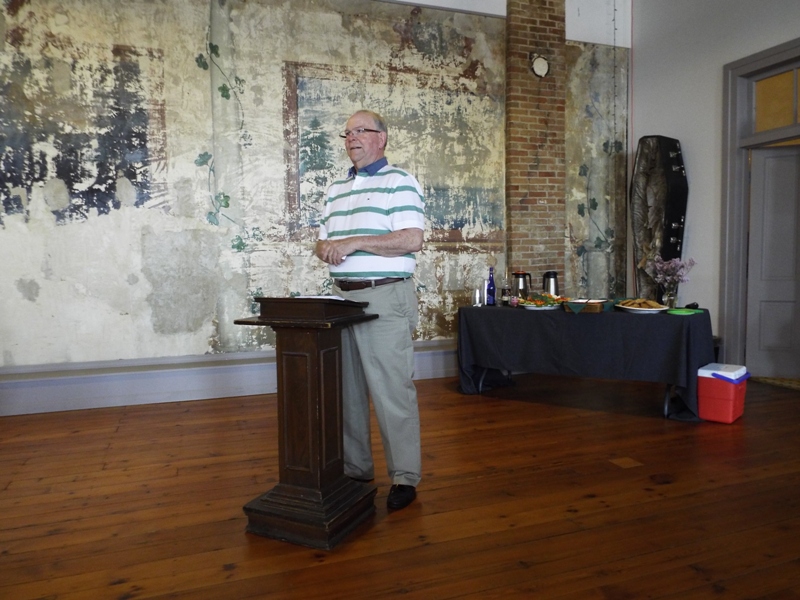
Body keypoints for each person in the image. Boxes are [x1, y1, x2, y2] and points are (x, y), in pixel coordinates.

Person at [314, 109, 425, 511]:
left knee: (392, 390)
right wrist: (325, 248)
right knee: (347, 392)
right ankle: (357, 470)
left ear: (382, 138)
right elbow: (323, 241)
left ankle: (405, 477)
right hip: (340, 299)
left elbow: (412, 239)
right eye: (347, 133)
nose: (352, 138)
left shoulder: (400, 181)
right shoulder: (336, 189)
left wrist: (356, 242)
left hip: (384, 297)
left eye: (361, 131)